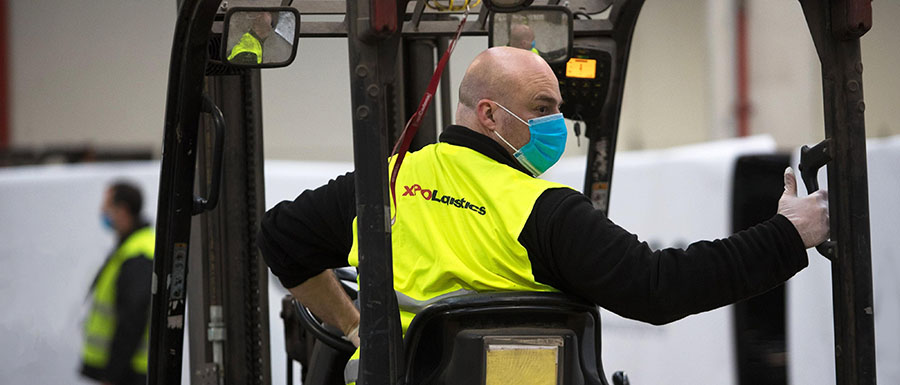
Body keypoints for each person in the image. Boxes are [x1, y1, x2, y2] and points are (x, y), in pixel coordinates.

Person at [258, 47, 828, 383]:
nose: (557, 124)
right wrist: (790, 233)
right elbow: (661, 288)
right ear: (488, 113)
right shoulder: (541, 209)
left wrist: (354, 326)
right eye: (543, 109)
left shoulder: (382, 183)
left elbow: (280, 236)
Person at [81, 181, 155, 385]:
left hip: (130, 372)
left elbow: (132, 318)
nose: (102, 211)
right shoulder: (130, 246)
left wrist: (113, 374)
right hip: (128, 370)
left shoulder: (138, 252)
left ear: (122, 211)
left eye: (107, 206)